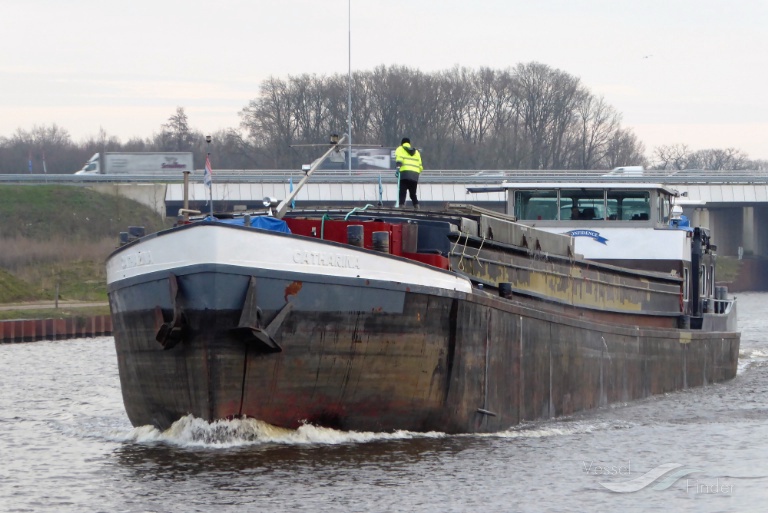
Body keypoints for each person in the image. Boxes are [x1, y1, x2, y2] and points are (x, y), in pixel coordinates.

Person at [395, 137, 423, 209]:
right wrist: (416, 173)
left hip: (404, 173)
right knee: (413, 193)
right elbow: (420, 166)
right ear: (409, 144)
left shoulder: (400, 149)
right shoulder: (416, 152)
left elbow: (399, 159)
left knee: (402, 191)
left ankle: (401, 205)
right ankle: (416, 206)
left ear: (402, 143)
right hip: (415, 175)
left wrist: (398, 169)